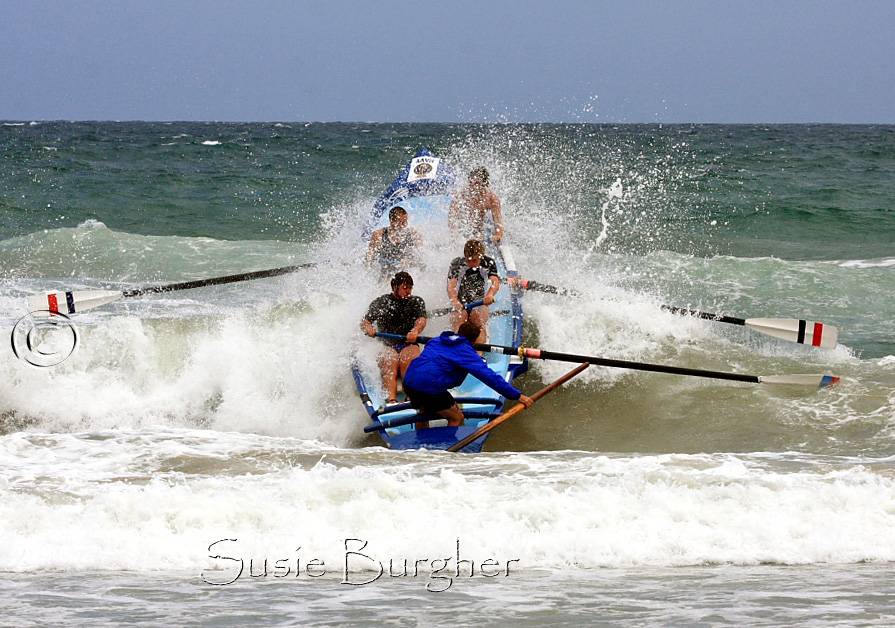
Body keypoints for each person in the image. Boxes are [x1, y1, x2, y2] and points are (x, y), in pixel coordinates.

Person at [402, 321, 533, 428]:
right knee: (457, 417)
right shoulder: (467, 352)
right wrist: (517, 396)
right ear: (474, 341)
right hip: (429, 388)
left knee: (424, 411)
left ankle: (420, 441)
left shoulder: (436, 340)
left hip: (409, 382)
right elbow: (490, 377)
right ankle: (447, 452)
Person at [360, 271, 427, 405]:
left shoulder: (416, 301)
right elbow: (365, 322)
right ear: (395, 287)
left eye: (410, 288)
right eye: (405, 287)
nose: (408, 291)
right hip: (387, 345)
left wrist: (415, 331)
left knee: (408, 359)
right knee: (390, 360)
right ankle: (391, 401)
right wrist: (369, 329)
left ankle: (411, 398)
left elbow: (421, 319)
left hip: (408, 344)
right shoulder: (381, 302)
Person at [447, 239, 500, 343]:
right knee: (460, 319)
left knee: (478, 320)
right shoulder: (457, 263)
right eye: (468, 260)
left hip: (480, 302)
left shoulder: (488, 263)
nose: (471, 263)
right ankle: (458, 349)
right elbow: (451, 286)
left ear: (481, 256)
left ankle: (478, 353)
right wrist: (454, 301)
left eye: (474, 260)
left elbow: (495, 282)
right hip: (461, 303)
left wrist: (490, 295)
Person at [449, 166, 506, 244]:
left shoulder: (491, 199)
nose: (473, 186)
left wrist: (498, 235)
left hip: (483, 227)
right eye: (471, 182)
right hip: (465, 226)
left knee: (483, 234)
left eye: (477, 183)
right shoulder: (462, 195)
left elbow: (498, 222)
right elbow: (452, 216)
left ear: (485, 184)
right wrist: (455, 235)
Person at [365, 205, 423, 275]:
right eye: (400, 222)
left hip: (407, 272)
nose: (404, 225)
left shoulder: (413, 235)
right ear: (391, 221)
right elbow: (369, 259)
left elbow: (421, 255)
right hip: (386, 272)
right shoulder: (379, 235)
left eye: (405, 222)